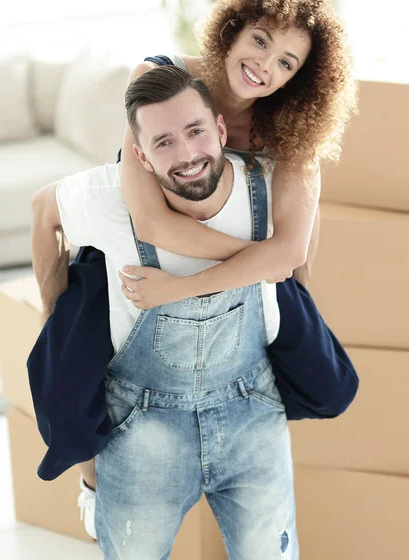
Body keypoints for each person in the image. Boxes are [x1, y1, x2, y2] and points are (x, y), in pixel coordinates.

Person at [29, 0, 358, 546]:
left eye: (285, 62)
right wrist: (263, 256)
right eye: (260, 41)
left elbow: (294, 256)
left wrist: (269, 271)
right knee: (64, 380)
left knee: (321, 365)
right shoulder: (160, 78)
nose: (265, 66)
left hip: (226, 326)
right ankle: (90, 485)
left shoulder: (288, 137)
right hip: (138, 248)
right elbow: (153, 222)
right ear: (233, 29)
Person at [32, 65, 300, 559]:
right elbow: (43, 210)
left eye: (196, 131)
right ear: (140, 155)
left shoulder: (268, 186)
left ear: (220, 128)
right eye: (163, 143)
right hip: (143, 426)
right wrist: (56, 322)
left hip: (253, 413)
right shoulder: (111, 199)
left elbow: (296, 265)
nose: (187, 155)